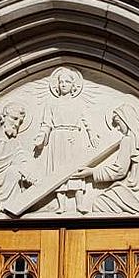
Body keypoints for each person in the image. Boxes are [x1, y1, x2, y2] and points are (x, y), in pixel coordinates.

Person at [33, 67, 98, 213]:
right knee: (57, 171)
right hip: (57, 138)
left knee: (76, 170)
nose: (63, 84)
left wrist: (92, 134)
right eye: (61, 82)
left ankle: (79, 202)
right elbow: (46, 123)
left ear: (73, 85)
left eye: (67, 82)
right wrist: (41, 138)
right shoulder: (51, 103)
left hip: (74, 137)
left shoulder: (78, 103)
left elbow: (86, 120)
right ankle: (61, 205)